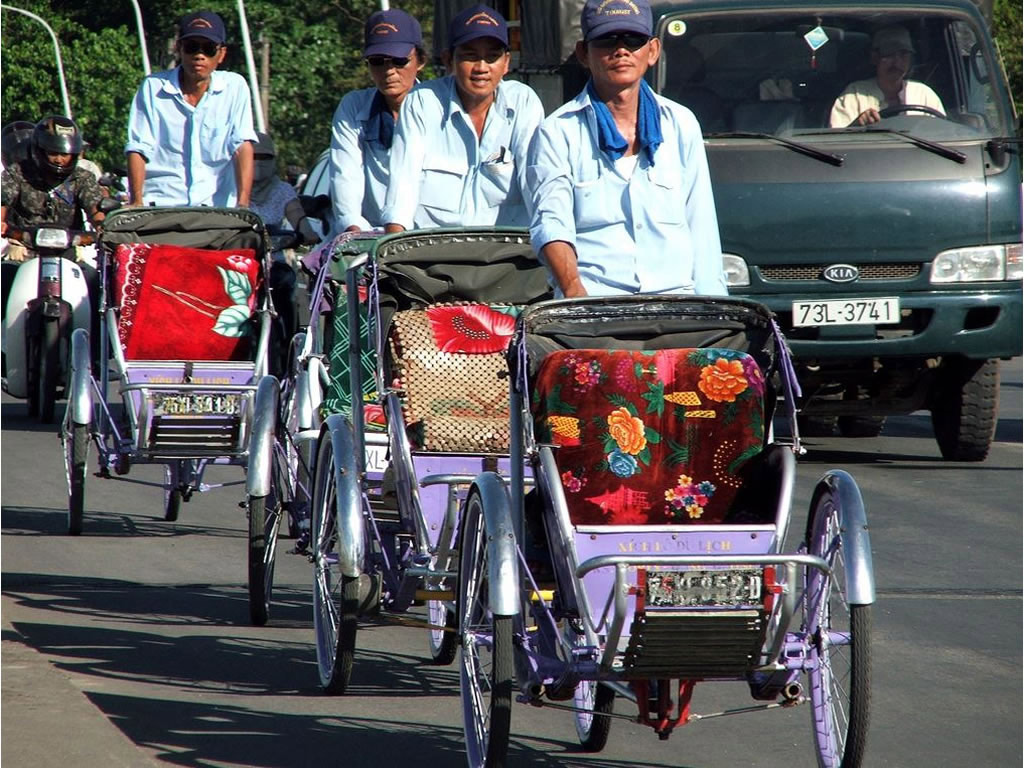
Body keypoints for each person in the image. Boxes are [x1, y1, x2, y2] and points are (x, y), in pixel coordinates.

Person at [526, 0, 726, 298]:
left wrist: (714, 308)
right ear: (583, 53)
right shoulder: (557, 131)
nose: (621, 50)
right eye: (606, 40)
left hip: (676, 300)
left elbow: (702, 224)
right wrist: (574, 293)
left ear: (653, 51)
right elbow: (551, 223)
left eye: (633, 40)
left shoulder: (680, 123)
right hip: (594, 302)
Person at [381, 4, 544, 233]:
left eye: (492, 57)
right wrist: (394, 249)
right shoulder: (422, 102)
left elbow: (536, 184)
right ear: (449, 60)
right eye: (470, 56)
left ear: (506, 63)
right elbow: (402, 189)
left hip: (508, 249)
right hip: (434, 250)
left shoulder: (523, 102)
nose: (481, 68)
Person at [125, 10, 257, 207]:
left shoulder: (235, 87)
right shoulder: (153, 87)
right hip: (162, 204)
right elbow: (138, 146)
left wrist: (243, 204)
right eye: (191, 47)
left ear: (221, 54)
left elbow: (242, 145)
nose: (199, 56)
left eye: (208, 49)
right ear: (179, 49)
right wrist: (137, 201)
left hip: (216, 208)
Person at [1, 116, 106, 349]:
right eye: (53, 153)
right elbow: (2, 200)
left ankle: (96, 354)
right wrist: (3, 224)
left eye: (65, 154)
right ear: (39, 150)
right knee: (3, 279)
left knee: (96, 285)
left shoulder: (82, 178)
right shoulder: (18, 173)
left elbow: (96, 210)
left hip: (68, 256)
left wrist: (102, 226)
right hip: (23, 254)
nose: (60, 159)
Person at [329, 8, 425, 234]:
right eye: (377, 61)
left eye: (399, 61)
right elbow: (345, 176)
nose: (389, 71)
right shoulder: (353, 107)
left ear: (421, 61)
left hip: (426, 236)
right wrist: (354, 231)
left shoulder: (439, 108)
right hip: (369, 237)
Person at [249, 131, 319, 366]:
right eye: (253, 156)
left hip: (274, 262)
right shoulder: (231, 187)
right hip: (242, 262)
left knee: (287, 284)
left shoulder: (283, 190)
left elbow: (299, 219)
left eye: (265, 157)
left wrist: (307, 233)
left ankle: (291, 347)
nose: (259, 163)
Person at [830, 26, 945, 127]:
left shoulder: (924, 94)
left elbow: (943, 133)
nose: (897, 61)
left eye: (903, 54)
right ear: (875, 57)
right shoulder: (854, 94)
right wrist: (857, 125)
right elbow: (835, 139)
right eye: (889, 54)